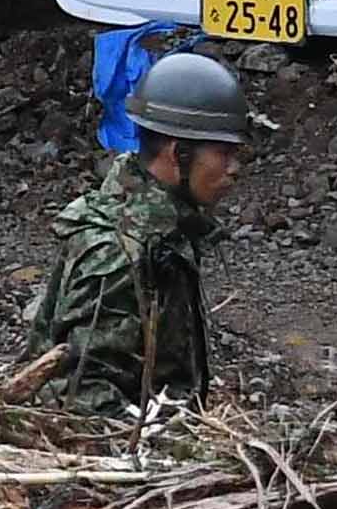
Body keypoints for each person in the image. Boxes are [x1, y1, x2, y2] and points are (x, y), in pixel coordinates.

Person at [27, 47, 245, 403]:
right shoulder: (118, 251)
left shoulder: (162, 228)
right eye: (224, 153)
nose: (235, 168)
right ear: (179, 154)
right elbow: (83, 394)